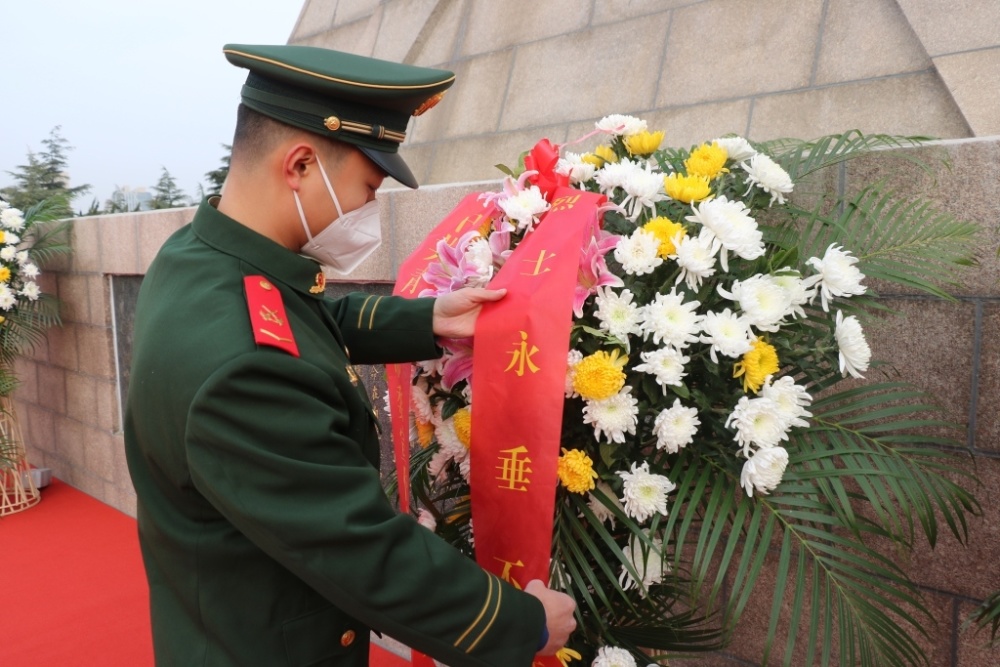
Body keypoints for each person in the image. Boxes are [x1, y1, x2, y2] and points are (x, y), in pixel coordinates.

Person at [124, 43, 576, 667]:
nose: (369, 209)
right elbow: (361, 550)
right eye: (368, 185)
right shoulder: (243, 373)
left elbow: (298, 320)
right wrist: (517, 622)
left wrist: (428, 318)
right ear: (301, 165)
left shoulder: (199, 257)